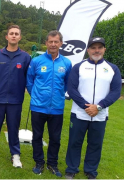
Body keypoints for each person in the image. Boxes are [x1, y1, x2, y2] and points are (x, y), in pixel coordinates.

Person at [65, 37, 121, 179]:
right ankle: (71, 169)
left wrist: (99, 107)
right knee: (74, 142)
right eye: (93, 47)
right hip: (79, 113)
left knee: (95, 144)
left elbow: (116, 92)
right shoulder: (79, 67)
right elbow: (71, 89)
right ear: (88, 50)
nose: (97, 50)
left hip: (100, 115)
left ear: (104, 49)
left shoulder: (112, 68)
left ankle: (90, 171)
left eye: (99, 47)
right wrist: (86, 106)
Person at [0, 25, 31, 168]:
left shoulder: (25, 57)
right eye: (11, 33)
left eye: (16, 34)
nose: (14, 36)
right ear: (7, 37)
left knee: (13, 128)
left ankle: (15, 155)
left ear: (20, 37)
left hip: (15, 100)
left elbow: (27, 76)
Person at [26, 30, 72, 177]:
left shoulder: (66, 63)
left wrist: (58, 95)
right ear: (46, 43)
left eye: (56, 42)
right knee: (37, 136)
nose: (53, 44)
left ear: (61, 44)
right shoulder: (36, 61)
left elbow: (66, 83)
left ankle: (52, 164)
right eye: (50, 41)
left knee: (55, 138)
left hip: (57, 108)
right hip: (38, 107)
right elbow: (29, 81)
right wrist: (37, 96)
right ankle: (39, 162)